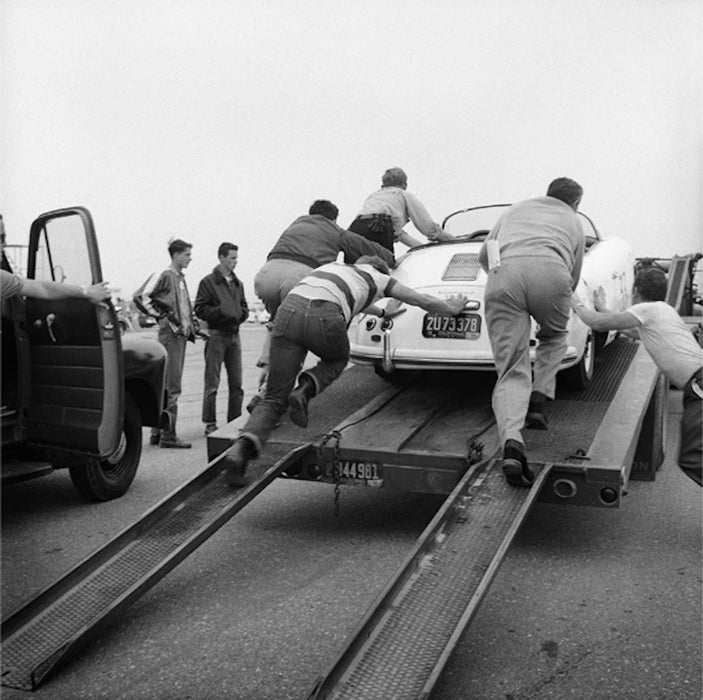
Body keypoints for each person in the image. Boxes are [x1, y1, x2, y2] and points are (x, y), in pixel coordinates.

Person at [221, 255, 467, 487]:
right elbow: (421, 300)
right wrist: (451, 308)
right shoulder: (380, 279)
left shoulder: (332, 269)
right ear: (380, 269)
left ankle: (240, 452)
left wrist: (382, 311)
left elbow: (357, 302)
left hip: (289, 312)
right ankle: (305, 390)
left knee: (274, 397)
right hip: (325, 316)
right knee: (337, 360)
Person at [478, 177, 585, 487]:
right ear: (575, 202)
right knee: (554, 337)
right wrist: (557, 300)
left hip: (505, 275)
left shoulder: (515, 210)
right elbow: (574, 272)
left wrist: (499, 276)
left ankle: (512, 442)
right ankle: (539, 399)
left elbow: (486, 253)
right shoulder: (572, 220)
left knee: (511, 369)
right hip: (551, 273)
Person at [249, 199, 396, 410]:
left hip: (266, 276)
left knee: (281, 332)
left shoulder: (296, 224)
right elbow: (362, 245)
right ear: (333, 218)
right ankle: (271, 400)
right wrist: (391, 258)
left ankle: (264, 391)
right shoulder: (333, 228)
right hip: (298, 277)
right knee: (296, 342)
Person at [571, 266, 702, 486]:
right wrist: (602, 307)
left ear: (636, 290)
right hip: (697, 383)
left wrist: (576, 302)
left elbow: (598, 323)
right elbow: (631, 331)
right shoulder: (663, 310)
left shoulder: (646, 309)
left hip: (699, 385)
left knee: (692, 459)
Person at [194, 242, 249, 436]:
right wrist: (221, 312)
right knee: (212, 382)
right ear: (221, 258)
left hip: (235, 336)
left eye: (236, 258)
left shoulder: (238, 283)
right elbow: (200, 308)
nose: (235, 262)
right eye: (232, 258)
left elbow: (244, 306)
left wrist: (241, 314)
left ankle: (233, 421)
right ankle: (210, 422)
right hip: (216, 336)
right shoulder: (208, 283)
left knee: (237, 383)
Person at [148, 238, 198, 449]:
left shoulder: (179, 278)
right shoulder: (167, 276)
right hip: (172, 336)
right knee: (172, 386)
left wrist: (192, 327)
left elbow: (183, 306)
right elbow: (146, 297)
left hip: (179, 336)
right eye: (186, 254)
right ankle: (169, 435)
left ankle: (157, 431)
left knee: (166, 384)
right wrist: (165, 319)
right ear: (176, 254)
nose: (189, 258)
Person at [1, 216, 111, 304]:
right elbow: (42, 288)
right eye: (1, 238)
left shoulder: (3, 280)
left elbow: (43, 288)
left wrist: (86, 292)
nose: (5, 243)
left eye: (4, 238)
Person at [348, 167, 455, 251]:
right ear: (404, 185)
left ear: (382, 185)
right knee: (386, 267)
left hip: (355, 229)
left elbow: (397, 233)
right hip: (379, 229)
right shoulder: (403, 195)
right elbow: (428, 227)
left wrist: (421, 248)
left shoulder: (373, 197)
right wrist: (452, 240)